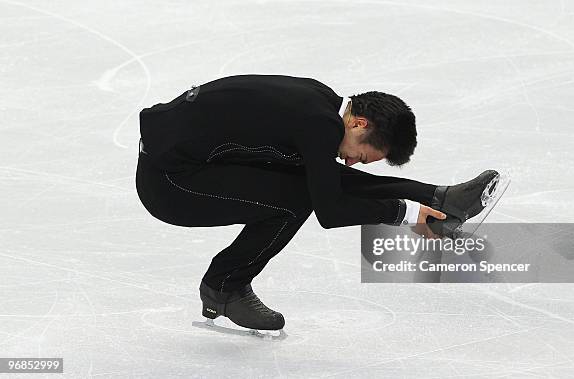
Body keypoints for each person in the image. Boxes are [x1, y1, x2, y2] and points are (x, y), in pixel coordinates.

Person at [135, 74, 497, 331]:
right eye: (364, 155)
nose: (352, 161)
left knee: (305, 182)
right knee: (296, 200)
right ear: (359, 123)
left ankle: (440, 196)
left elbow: (325, 178)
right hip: (171, 184)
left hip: (188, 162)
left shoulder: (320, 102)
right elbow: (330, 208)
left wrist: (424, 199)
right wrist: (406, 213)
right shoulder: (317, 123)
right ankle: (224, 287)